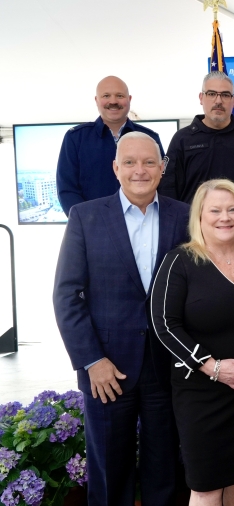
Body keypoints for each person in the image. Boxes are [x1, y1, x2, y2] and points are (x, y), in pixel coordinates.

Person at [53, 132, 189, 505]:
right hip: (107, 370)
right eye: (129, 162)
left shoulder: (187, 215)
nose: (139, 170)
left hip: (168, 366)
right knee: (110, 473)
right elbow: (67, 295)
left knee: (165, 471)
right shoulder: (85, 216)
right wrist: (92, 361)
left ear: (162, 168)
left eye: (149, 162)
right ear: (116, 168)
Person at [150, 179, 234, 504]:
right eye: (215, 210)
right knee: (206, 487)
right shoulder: (179, 262)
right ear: (199, 217)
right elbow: (164, 324)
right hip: (201, 396)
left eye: (232, 209)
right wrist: (213, 368)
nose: (225, 217)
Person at [57, 76, 165, 216]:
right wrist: (86, 223)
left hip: (143, 222)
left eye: (119, 96)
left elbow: (162, 182)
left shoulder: (150, 138)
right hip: (94, 227)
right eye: (106, 96)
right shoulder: (75, 138)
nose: (113, 101)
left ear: (129, 99)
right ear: (96, 100)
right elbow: (67, 189)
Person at [158, 71, 234, 203]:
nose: (218, 101)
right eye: (212, 94)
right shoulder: (182, 139)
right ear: (201, 98)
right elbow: (168, 188)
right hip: (193, 221)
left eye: (225, 95)